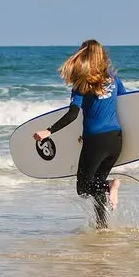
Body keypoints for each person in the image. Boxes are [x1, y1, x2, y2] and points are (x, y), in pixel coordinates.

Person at [33, 40, 125, 229]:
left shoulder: (82, 84)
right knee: (96, 184)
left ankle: (110, 185)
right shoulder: (114, 80)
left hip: (95, 142)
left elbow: (73, 114)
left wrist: (49, 131)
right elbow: (129, 102)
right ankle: (102, 225)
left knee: (83, 188)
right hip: (116, 140)